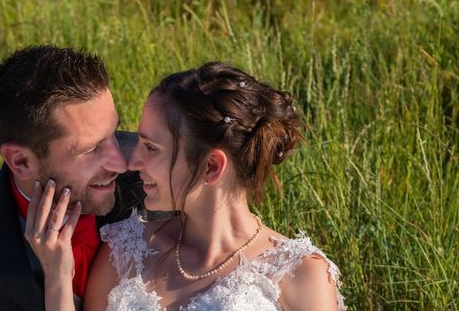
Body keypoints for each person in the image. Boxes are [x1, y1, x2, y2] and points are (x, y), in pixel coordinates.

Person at [28, 62, 346, 310]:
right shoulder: (125, 250)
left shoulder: (300, 274)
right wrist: (57, 276)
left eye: (151, 148)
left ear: (211, 167)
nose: (131, 162)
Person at [0, 45, 144, 310]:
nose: (120, 163)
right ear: (20, 161)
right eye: (91, 149)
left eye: (112, 133)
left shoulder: (158, 173)